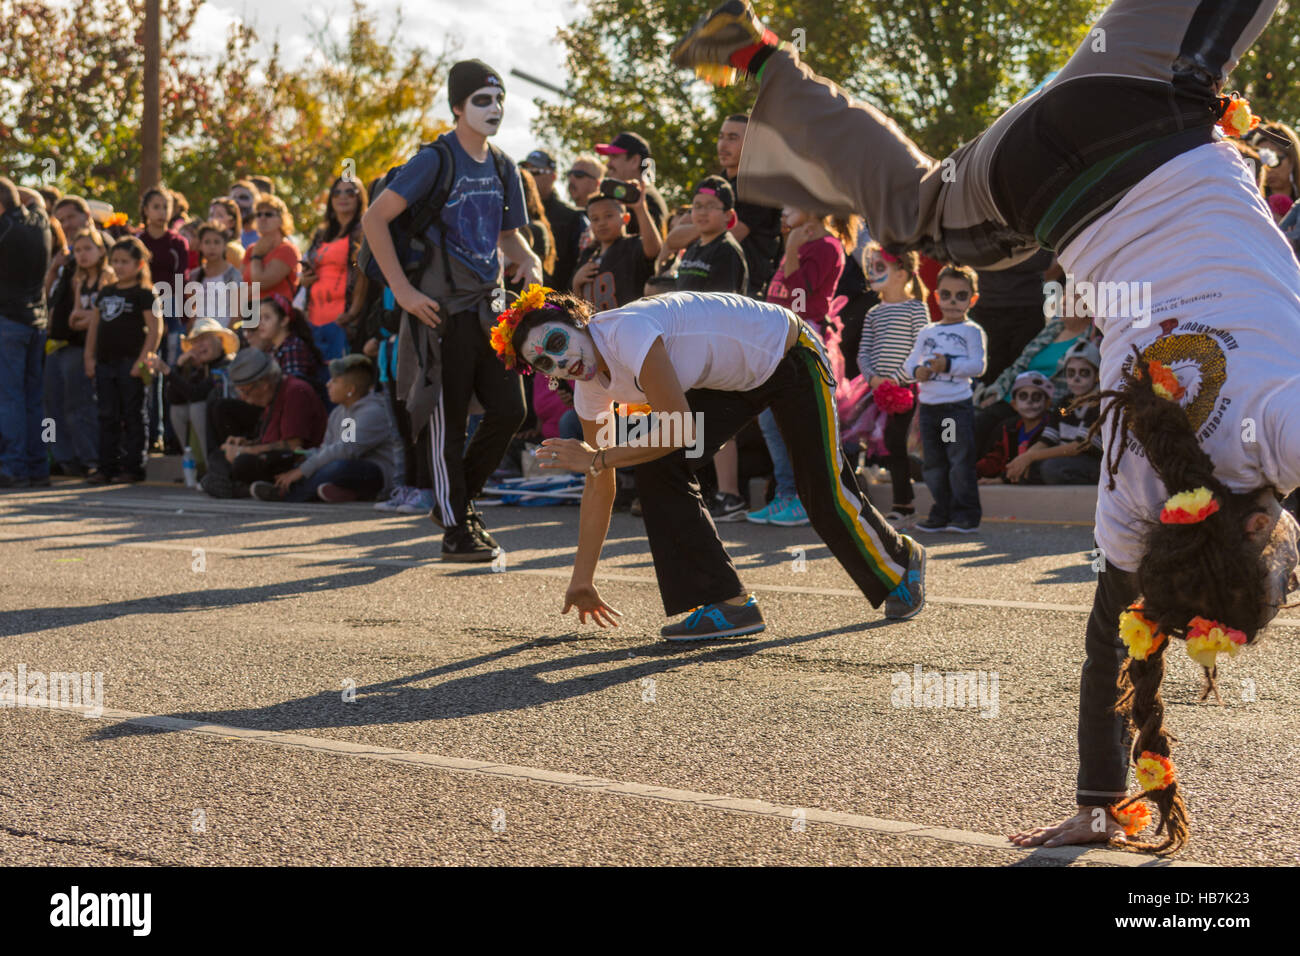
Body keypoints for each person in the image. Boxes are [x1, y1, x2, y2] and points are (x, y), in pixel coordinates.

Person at [672, 0, 1300, 853]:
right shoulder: (1135, 495)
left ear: (1259, 525)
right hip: (1034, 179)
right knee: (916, 211)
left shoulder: (1278, 425)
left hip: (1145, 94)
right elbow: (1116, 653)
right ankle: (759, 59)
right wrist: (1099, 802)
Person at [493, 284, 928, 638]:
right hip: (727, 381)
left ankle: (901, 563)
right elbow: (599, 478)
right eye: (545, 362)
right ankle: (727, 602)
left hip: (786, 354)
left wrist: (599, 456)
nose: (561, 362)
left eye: (556, 342)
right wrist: (582, 578)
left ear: (578, 321)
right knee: (658, 464)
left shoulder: (625, 332)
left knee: (821, 491)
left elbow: (672, 429)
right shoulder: (590, 388)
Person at [361, 57, 542, 561]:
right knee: (447, 421)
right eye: (482, 100)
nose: (495, 108)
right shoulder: (435, 159)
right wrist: (402, 291)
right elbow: (375, 220)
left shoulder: (505, 165)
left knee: (511, 410)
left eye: (499, 98)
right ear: (458, 107)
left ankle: (454, 505)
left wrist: (531, 261)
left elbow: (509, 237)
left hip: (490, 311)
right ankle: (457, 528)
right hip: (439, 313)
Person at [674, 176, 750, 524]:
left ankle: (730, 494)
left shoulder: (727, 250)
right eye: (697, 206)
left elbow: (723, 307)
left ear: (728, 215)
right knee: (693, 420)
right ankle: (701, 489)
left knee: (719, 425)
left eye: (710, 207)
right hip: (688, 348)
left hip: (716, 348)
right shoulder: (693, 247)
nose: (701, 213)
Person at [250, 355, 400, 503]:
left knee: (337, 466)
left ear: (350, 389)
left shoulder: (371, 412)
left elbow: (346, 450)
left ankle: (288, 494)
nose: (328, 385)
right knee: (304, 461)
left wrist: (301, 471)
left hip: (375, 472)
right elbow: (328, 448)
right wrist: (305, 457)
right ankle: (344, 492)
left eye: (335, 381)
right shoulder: (340, 412)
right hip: (349, 463)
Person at [904, 265, 987, 533]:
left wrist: (947, 365)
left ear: (972, 299)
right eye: (947, 294)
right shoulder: (927, 331)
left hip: (953, 409)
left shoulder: (972, 331)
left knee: (958, 460)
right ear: (936, 296)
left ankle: (965, 514)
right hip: (929, 409)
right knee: (933, 464)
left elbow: (978, 366)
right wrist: (917, 371)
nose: (953, 301)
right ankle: (942, 510)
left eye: (961, 296)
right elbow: (909, 363)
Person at [854, 244, 928, 524]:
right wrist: (872, 377)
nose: (872, 273)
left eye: (880, 267)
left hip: (905, 391)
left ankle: (904, 504)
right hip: (877, 391)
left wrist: (895, 379)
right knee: (879, 443)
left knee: (896, 442)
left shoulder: (915, 308)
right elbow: (864, 351)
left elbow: (920, 349)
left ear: (902, 273)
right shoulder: (874, 313)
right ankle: (893, 502)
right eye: (870, 267)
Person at [973, 299, 1099, 454]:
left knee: (999, 430)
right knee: (976, 421)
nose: (1064, 302)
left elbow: (1078, 386)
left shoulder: (1091, 341)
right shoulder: (1054, 327)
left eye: (1073, 298)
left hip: (1041, 405)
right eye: (1063, 297)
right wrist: (995, 392)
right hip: (1011, 398)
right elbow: (1019, 364)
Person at [83, 236, 161, 484]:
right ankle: (107, 466)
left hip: (131, 363)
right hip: (105, 362)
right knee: (107, 415)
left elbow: (155, 329)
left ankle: (133, 467)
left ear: (138, 264)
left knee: (134, 415)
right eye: (114, 261)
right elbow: (94, 327)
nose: (118, 266)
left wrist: (143, 360)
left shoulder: (145, 294)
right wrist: (89, 357)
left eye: (124, 261)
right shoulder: (106, 292)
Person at [201, 349, 327, 498]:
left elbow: (294, 446)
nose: (242, 397)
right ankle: (251, 490)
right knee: (217, 457)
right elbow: (270, 439)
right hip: (270, 457)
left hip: (293, 462)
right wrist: (247, 443)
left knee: (241, 462)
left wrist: (243, 452)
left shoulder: (295, 392)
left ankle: (239, 488)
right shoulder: (272, 396)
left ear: (263, 384)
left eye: (245, 391)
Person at [0, 177, 54, 488]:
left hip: (8, 320)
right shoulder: (40, 222)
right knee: (33, 399)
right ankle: (37, 466)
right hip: (36, 321)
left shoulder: (4, 230)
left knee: (9, 398)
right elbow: (36, 199)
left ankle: (13, 467)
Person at [45, 227, 111, 477]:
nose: (81, 255)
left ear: (101, 251)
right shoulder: (75, 278)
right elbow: (74, 317)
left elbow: (98, 317)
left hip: (83, 349)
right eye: (77, 250)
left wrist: (87, 318)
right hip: (57, 344)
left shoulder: (106, 277)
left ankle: (89, 456)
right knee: (50, 407)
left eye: (87, 249)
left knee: (79, 406)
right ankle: (56, 454)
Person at [1009, 340, 1104, 486]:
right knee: (1028, 466)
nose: (1076, 379)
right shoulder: (1064, 405)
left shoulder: (1099, 404)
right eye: (1071, 373)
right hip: (1064, 459)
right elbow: (1047, 440)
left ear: (1097, 375)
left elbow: (1078, 447)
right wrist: (1024, 458)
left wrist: (1032, 457)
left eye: (1084, 373)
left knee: (1051, 468)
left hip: (1092, 462)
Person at [144, 316, 240, 457]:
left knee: (197, 407)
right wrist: (179, 367)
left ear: (220, 340)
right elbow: (174, 398)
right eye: (195, 341)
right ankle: (193, 464)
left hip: (232, 431)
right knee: (178, 410)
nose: (199, 346)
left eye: (204, 339)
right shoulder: (201, 370)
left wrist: (167, 371)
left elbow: (197, 394)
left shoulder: (227, 365)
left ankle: (211, 465)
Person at [301, 176, 369, 360]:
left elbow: (363, 276)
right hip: (314, 318)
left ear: (360, 197)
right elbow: (310, 268)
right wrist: (304, 279)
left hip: (342, 320)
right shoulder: (322, 233)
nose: (343, 197)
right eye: (337, 192)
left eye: (350, 192)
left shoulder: (364, 230)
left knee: (339, 378)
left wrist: (352, 313)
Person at [571, 184, 661, 310]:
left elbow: (654, 249)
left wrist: (640, 208)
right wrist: (576, 283)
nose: (601, 223)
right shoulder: (588, 255)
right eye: (595, 219)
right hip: (596, 328)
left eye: (608, 216)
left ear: (626, 218)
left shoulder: (632, 246)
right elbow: (578, 305)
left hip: (629, 325)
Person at [523, 149, 586, 292]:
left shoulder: (573, 217)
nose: (529, 176)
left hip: (559, 304)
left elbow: (582, 263)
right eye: (526, 170)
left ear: (553, 176)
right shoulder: (514, 213)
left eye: (536, 172)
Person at [975, 370, 1051, 484]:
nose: (1029, 401)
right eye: (1023, 396)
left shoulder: (1050, 429)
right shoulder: (1009, 428)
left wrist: (1002, 479)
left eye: (1036, 396)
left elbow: (1034, 465)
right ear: (1014, 405)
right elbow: (996, 459)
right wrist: (971, 471)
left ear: (1047, 404)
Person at [594, 132, 669, 238]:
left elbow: (654, 250)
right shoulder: (629, 196)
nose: (608, 164)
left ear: (634, 161)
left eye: (614, 156)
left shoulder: (647, 200)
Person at [248, 294, 326, 393]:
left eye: (267, 318)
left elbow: (294, 389)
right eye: (259, 318)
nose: (261, 323)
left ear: (284, 321)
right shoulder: (272, 350)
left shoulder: (293, 346)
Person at [186, 223, 244, 328]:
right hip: (200, 335)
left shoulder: (233, 275)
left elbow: (237, 314)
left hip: (224, 334)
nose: (212, 247)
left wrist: (228, 337)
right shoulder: (194, 276)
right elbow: (193, 312)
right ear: (200, 245)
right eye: (207, 242)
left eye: (217, 242)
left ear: (224, 245)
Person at [242, 194, 300, 302]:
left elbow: (262, 283)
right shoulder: (251, 249)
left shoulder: (287, 250)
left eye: (268, 214)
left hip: (275, 314)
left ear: (282, 219)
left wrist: (257, 257)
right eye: (258, 214)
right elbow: (237, 286)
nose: (262, 218)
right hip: (249, 313)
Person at [207, 197, 247, 267]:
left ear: (232, 223)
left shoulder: (230, 250)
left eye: (219, 215)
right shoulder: (207, 247)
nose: (213, 219)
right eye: (211, 215)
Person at [229, 180, 261, 247]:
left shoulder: (266, 236)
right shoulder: (224, 235)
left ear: (255, 202)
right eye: (233, 198)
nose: (237, 202)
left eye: (243, 198)